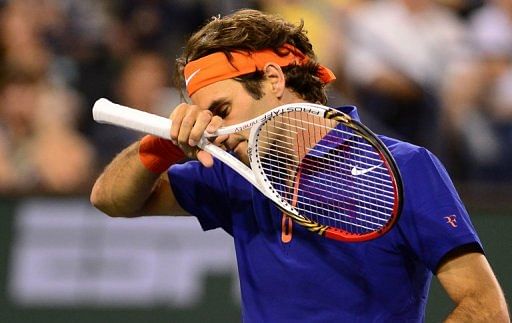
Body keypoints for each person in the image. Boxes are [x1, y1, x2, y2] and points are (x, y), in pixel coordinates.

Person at [90, 9, 509, 322]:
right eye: (205, 118)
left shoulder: (407, 167)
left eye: (221, 109)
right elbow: (111, 200)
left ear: (274, 80)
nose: (214, 130)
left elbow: (485, 306)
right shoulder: (229, 170)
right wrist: (162, 146)